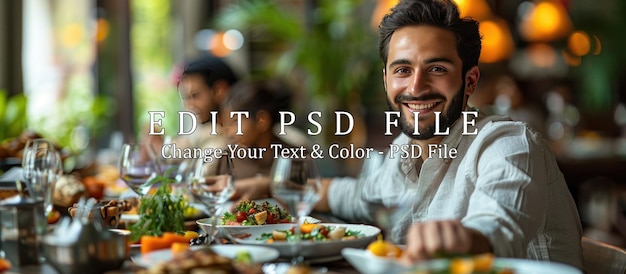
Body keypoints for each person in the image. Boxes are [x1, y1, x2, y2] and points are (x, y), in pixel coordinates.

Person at [234, 0, 584, 269]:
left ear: (470, 80)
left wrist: (463, 237)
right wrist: (270, 186)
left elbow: (500, 224)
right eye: (403, 69)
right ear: (386, 80)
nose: (416, 87)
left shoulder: (508, 144)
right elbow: (358, 196)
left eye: (436, 68)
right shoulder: (404, 149)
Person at [143, 54, 240, 160]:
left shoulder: (235, 136)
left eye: (195, 95)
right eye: (186, 98)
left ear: (219, 91)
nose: (189, 106)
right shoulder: (208, 131)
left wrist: (159, 150)